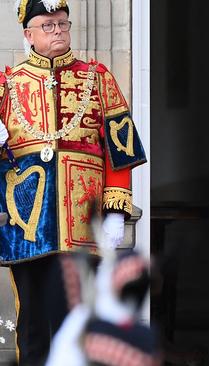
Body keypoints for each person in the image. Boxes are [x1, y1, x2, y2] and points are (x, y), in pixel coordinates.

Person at [0, 0, 146, 363]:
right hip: (26, 221)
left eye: (62, 24)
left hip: (83, 216)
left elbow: (120, 146)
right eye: (48, 27)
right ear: (28, 34)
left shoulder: (98, 78)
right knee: (32, 319)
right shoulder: (8, 84)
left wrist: (116, 207)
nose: (58, 32)